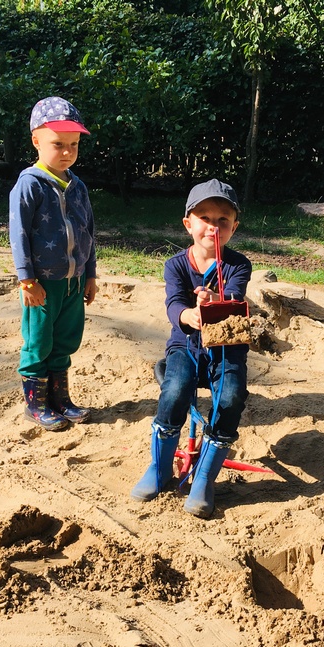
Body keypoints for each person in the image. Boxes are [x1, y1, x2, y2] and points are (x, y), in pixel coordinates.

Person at [131, 179, 252, 519]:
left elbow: (236, 296)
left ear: (234, 227)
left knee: (230, 398)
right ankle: (159, 469)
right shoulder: (176, 264)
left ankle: (204, 479)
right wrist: (187, 314)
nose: (213, 227)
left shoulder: (238, 264)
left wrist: (216, 300)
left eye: (223, 220)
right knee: (175, 391)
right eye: (205, 218)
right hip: (186, 344)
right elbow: (173, 303)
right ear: (188, 224)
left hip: (227, 347)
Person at [9, 96, 98, 432]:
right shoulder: (29, 184)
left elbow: (89, 232)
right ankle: (36, 404)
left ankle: (61, 400)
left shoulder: (78, 186)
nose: (67, 152)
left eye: (73, 145)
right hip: (43, 284)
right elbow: (18, 233)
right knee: (39, 341)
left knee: (65, 339)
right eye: (58, 144)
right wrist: (27, 280)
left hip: (74, 281)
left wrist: (90, 274)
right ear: (36, 140)